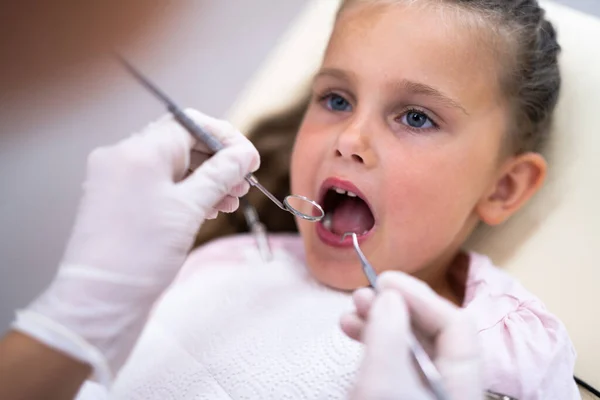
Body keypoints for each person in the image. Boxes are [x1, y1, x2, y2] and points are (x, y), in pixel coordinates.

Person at [0, 1, 578, 400]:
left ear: (502, 188)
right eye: (335, 99)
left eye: (417, 117)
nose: (350, 141)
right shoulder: (225, 262)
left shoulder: (502, 340)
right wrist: (78, 317)